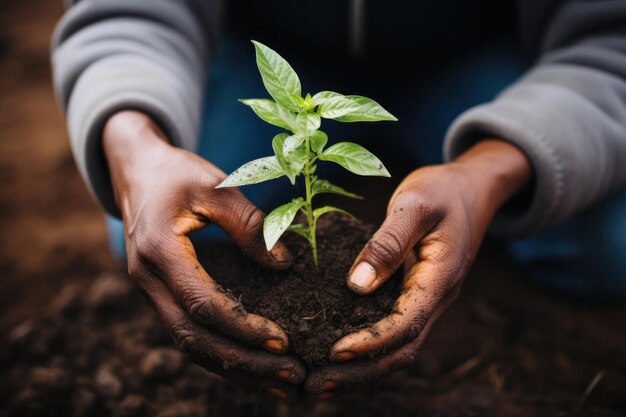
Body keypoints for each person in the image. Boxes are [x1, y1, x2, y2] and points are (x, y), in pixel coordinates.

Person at [52, 0, 626, 400]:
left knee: (607, 247)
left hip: (468, 56)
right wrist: (137, 147)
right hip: (265, 53)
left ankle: (455, 166)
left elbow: (611, 38)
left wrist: (489, 173)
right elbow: (125, 13)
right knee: (170, 225)